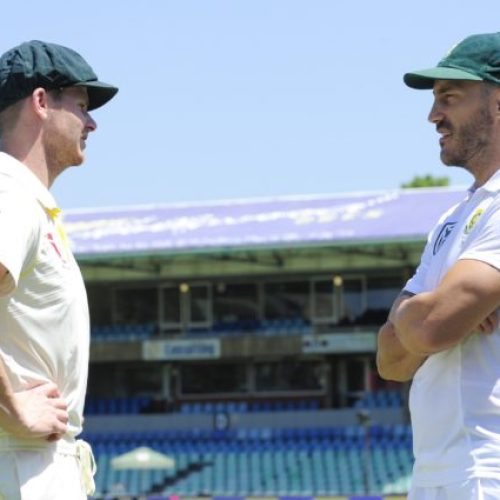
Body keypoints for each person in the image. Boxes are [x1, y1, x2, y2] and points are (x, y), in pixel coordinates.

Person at [376, 32, 500, 499]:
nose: (434, 115)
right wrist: (431, 315)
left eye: (449, 97)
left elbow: (427, 331)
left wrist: (417, 315)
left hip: (486, 469)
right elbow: (390, 360)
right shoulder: (456, 217)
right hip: (439, 471)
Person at [0, 40, 117, 499]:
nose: (92, 122)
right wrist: (12, 404)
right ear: (42, 103)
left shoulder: (25, 200)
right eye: (82, 105)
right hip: (21, 464)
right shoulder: (11, 195)